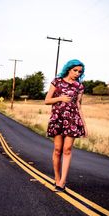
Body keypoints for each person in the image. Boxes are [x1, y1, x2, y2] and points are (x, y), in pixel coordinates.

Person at [45, 59, 88, 192]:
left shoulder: (79, 86)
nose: (77, 73)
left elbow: (78, 105)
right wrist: (60, 98)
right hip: (57, 118)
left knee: (67, 149)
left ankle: (62, 182)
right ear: (68, 69)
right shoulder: (56, 81)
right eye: (75, 70)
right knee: (58, 150)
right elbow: (47, 100)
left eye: (80, 72)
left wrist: (84, 126)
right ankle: (57, 179)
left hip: (72, 120)